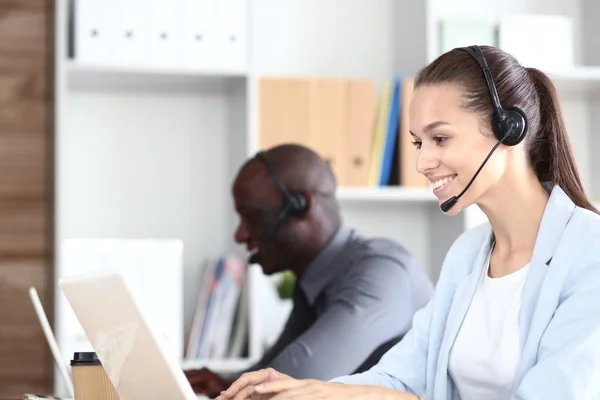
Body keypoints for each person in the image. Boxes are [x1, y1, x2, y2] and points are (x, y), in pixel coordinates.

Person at [216, 44, 600, 400]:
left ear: (509, 129)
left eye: (441, 138)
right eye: (419, 143)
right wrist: (302, 390)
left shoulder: (588, 252)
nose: (422, 163)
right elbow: (401, 377)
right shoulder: (468, 255)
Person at [184, 143, 435, 397]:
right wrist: (222, 384)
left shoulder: (382, 272)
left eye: (253, 217)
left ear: (300, 206)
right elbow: (270, 373)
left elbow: (289, 383)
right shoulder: (313, 284)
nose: (241, 235)